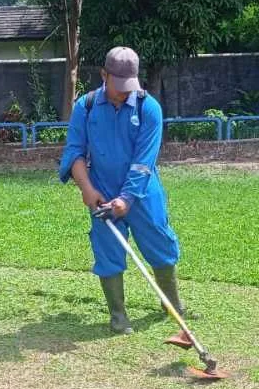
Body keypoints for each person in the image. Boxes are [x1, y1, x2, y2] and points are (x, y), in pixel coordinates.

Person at [58, 46, 190, 335]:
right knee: (107, 251)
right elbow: (75, 152)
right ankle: (118, 315)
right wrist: (87, 189)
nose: (123, 92)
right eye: (117, 86)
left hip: (143, 192)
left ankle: (172, 305)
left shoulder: (148, 107)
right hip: (101, 192)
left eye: (128, 86)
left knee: (161, 243)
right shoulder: (86, 106)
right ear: (103, 74)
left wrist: (127, 198)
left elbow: (144, 160)